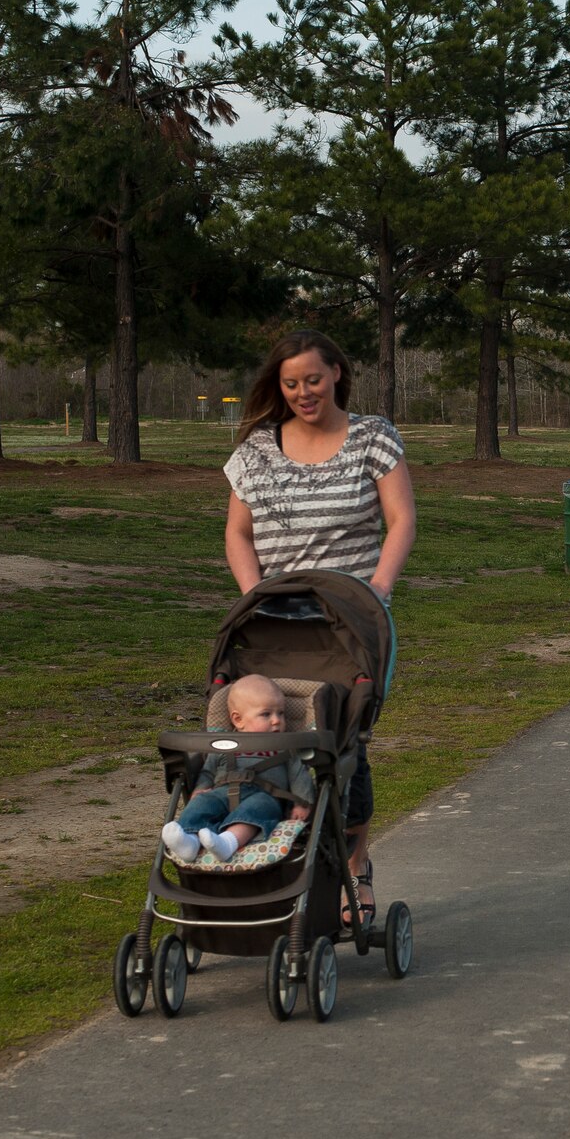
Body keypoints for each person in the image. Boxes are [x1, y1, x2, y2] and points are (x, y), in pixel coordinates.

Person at [225, 329, 416, 918]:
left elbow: (401, 517)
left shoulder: (371, 438)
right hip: (277, 627)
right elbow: (237, 532)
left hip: (350, 622)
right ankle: (272, 860)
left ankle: (355, 864)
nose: (303, 392)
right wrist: (253, 596)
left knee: (345, 741)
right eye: (290, 383)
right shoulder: (257, 449)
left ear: (336, 372)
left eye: (313, 378)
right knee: (272, 741)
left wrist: (378, 589)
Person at [161, 674, 314, 861]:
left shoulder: (286, 746)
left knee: (259, 807)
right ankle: (189, 841)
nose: (276, 720)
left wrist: (302, 802)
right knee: (202, 803)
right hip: (222, 791)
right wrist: (200, 789)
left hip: (265, 794)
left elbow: (299, 774)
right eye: (266, 714)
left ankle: (228, 841)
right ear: (238, 720)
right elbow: (208, 770)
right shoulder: (224, 744)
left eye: (280, 713)